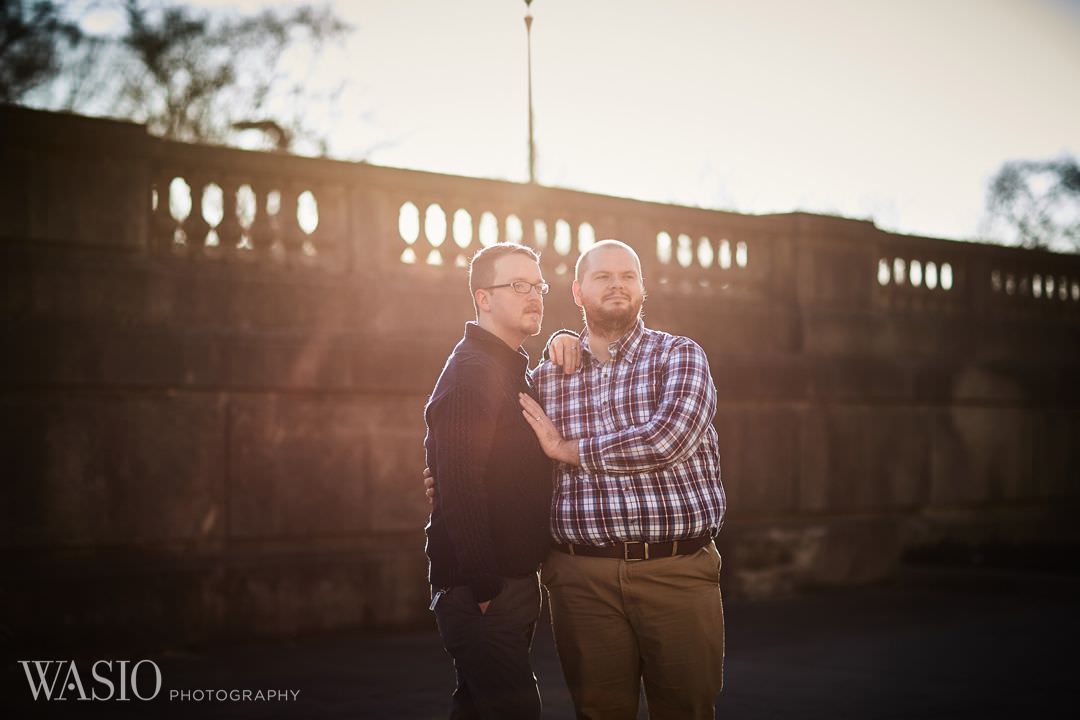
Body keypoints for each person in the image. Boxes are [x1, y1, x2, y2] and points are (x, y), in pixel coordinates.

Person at [429, 239, 727, 719]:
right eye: (602, 277)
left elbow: (667, 440)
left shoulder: (680, 356)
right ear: (577, 292)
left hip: (675, 572)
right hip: (580, 580)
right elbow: (484, 460)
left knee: (686, 710)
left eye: (628, 276)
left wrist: (566, 449)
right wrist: (443, 478)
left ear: (643, 290)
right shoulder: (546, 379)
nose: (617, 285)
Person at [423, 242, 555, 719]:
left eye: (538, 285)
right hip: (483, 588)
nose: (534, 294)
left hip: (508, 583)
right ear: (483, 297)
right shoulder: (472, 373)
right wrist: (483, 588)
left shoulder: (509, 369)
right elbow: (459, 486)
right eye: (518, 285)